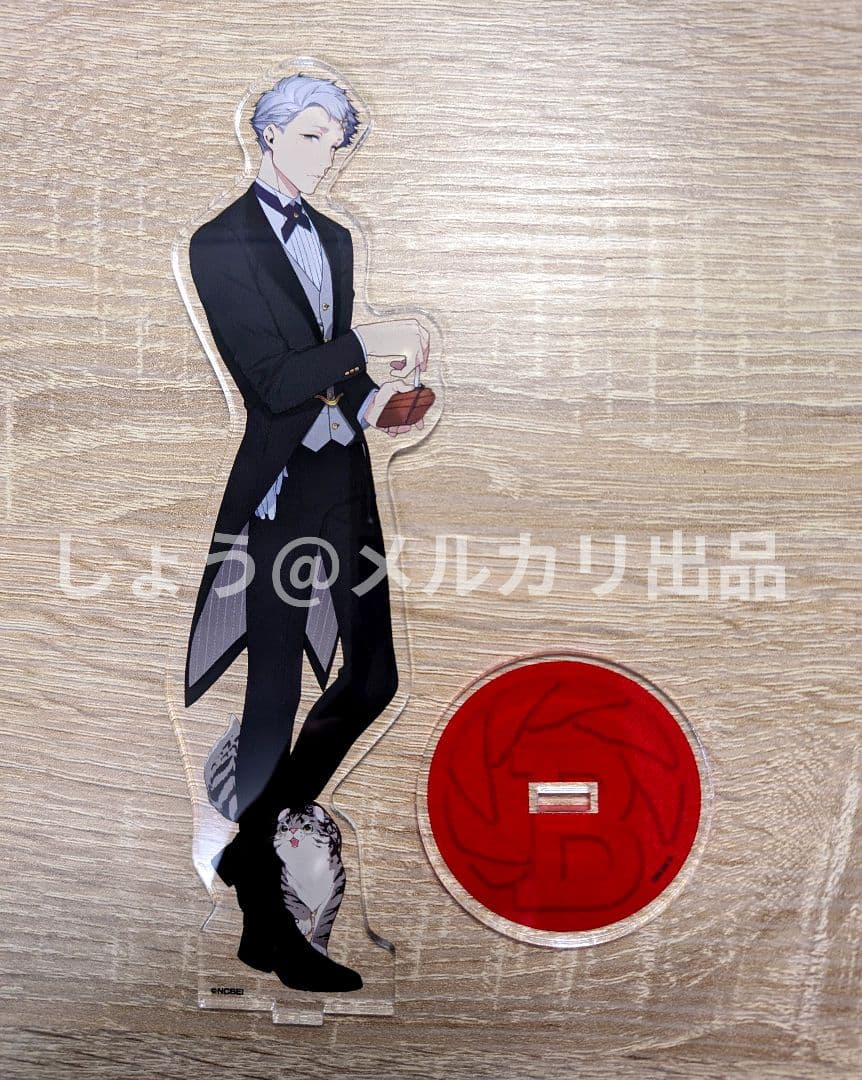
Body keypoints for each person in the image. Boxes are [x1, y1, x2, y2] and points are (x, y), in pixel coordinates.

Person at [183, 73, 429, 992]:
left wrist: (376, 404)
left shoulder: (332, 237)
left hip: (343, 481)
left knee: (374, 678)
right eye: (315, 137)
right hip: (279, 498)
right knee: (271, 698)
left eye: (337, 142)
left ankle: (249, 849)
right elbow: (274, 380)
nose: (328, 157)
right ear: (270, 133)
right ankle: (267, 924)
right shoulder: (219, 243)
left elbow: (328, 380)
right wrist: (368, 341)